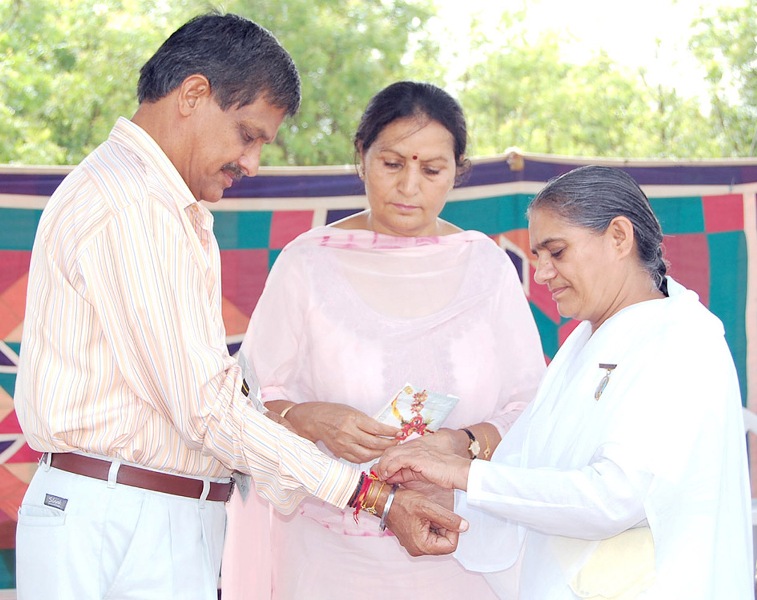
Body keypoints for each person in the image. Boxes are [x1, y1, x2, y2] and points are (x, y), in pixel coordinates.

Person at [12, 14, 467, 600]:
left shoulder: (158, 203)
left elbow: (209, 400)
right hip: (120, 519)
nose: (250, 163)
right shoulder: (134, 206)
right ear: (193, 94)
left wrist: (303, 431)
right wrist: (369, 494)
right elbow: (206, 410)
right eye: (247, 135)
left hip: (142, 512)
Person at [222, 81, 546, 599]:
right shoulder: (308, 263)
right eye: (392, 164)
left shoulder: (486, 266)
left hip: (463, 553)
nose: (409, 187)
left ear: (458, 171)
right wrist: (308, 418)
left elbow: (533, 408)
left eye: (432, 170)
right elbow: (245, 403)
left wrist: (461, 444)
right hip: (330, 557)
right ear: (362, 156)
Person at [376, 164, 754, 599]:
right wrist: (447, 495)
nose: (541, 273)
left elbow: (613, 497)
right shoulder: (588, 339)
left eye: (556, 252)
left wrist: (463, 473)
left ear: (619, 237)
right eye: (538, 256)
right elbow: (532, 471)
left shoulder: (682, 339)